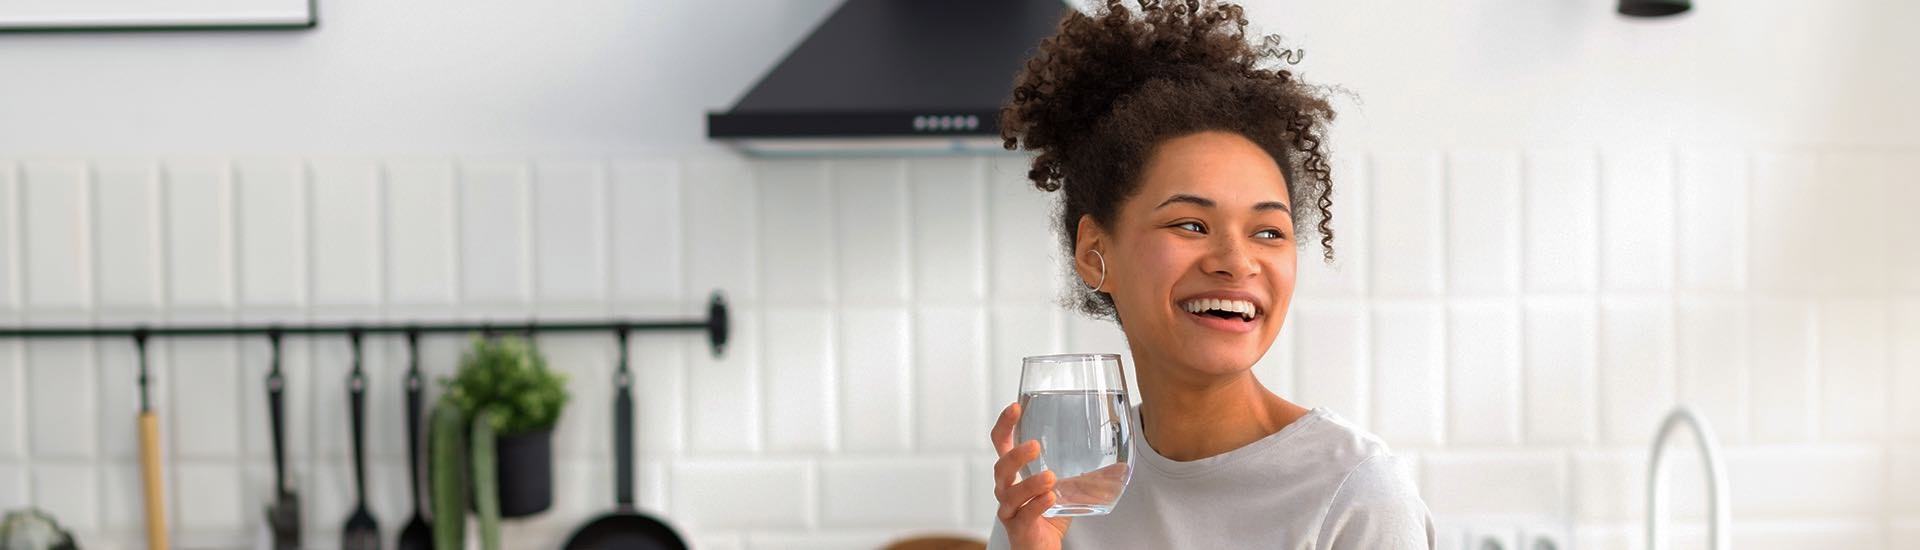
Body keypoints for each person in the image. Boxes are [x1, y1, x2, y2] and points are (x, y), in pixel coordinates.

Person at [987, 1, 1436, 548]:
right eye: (1192, 224)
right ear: (1093, 250)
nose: (1237, 260)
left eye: (1268, 232)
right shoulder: (1064, 485)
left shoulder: (1354, 493)